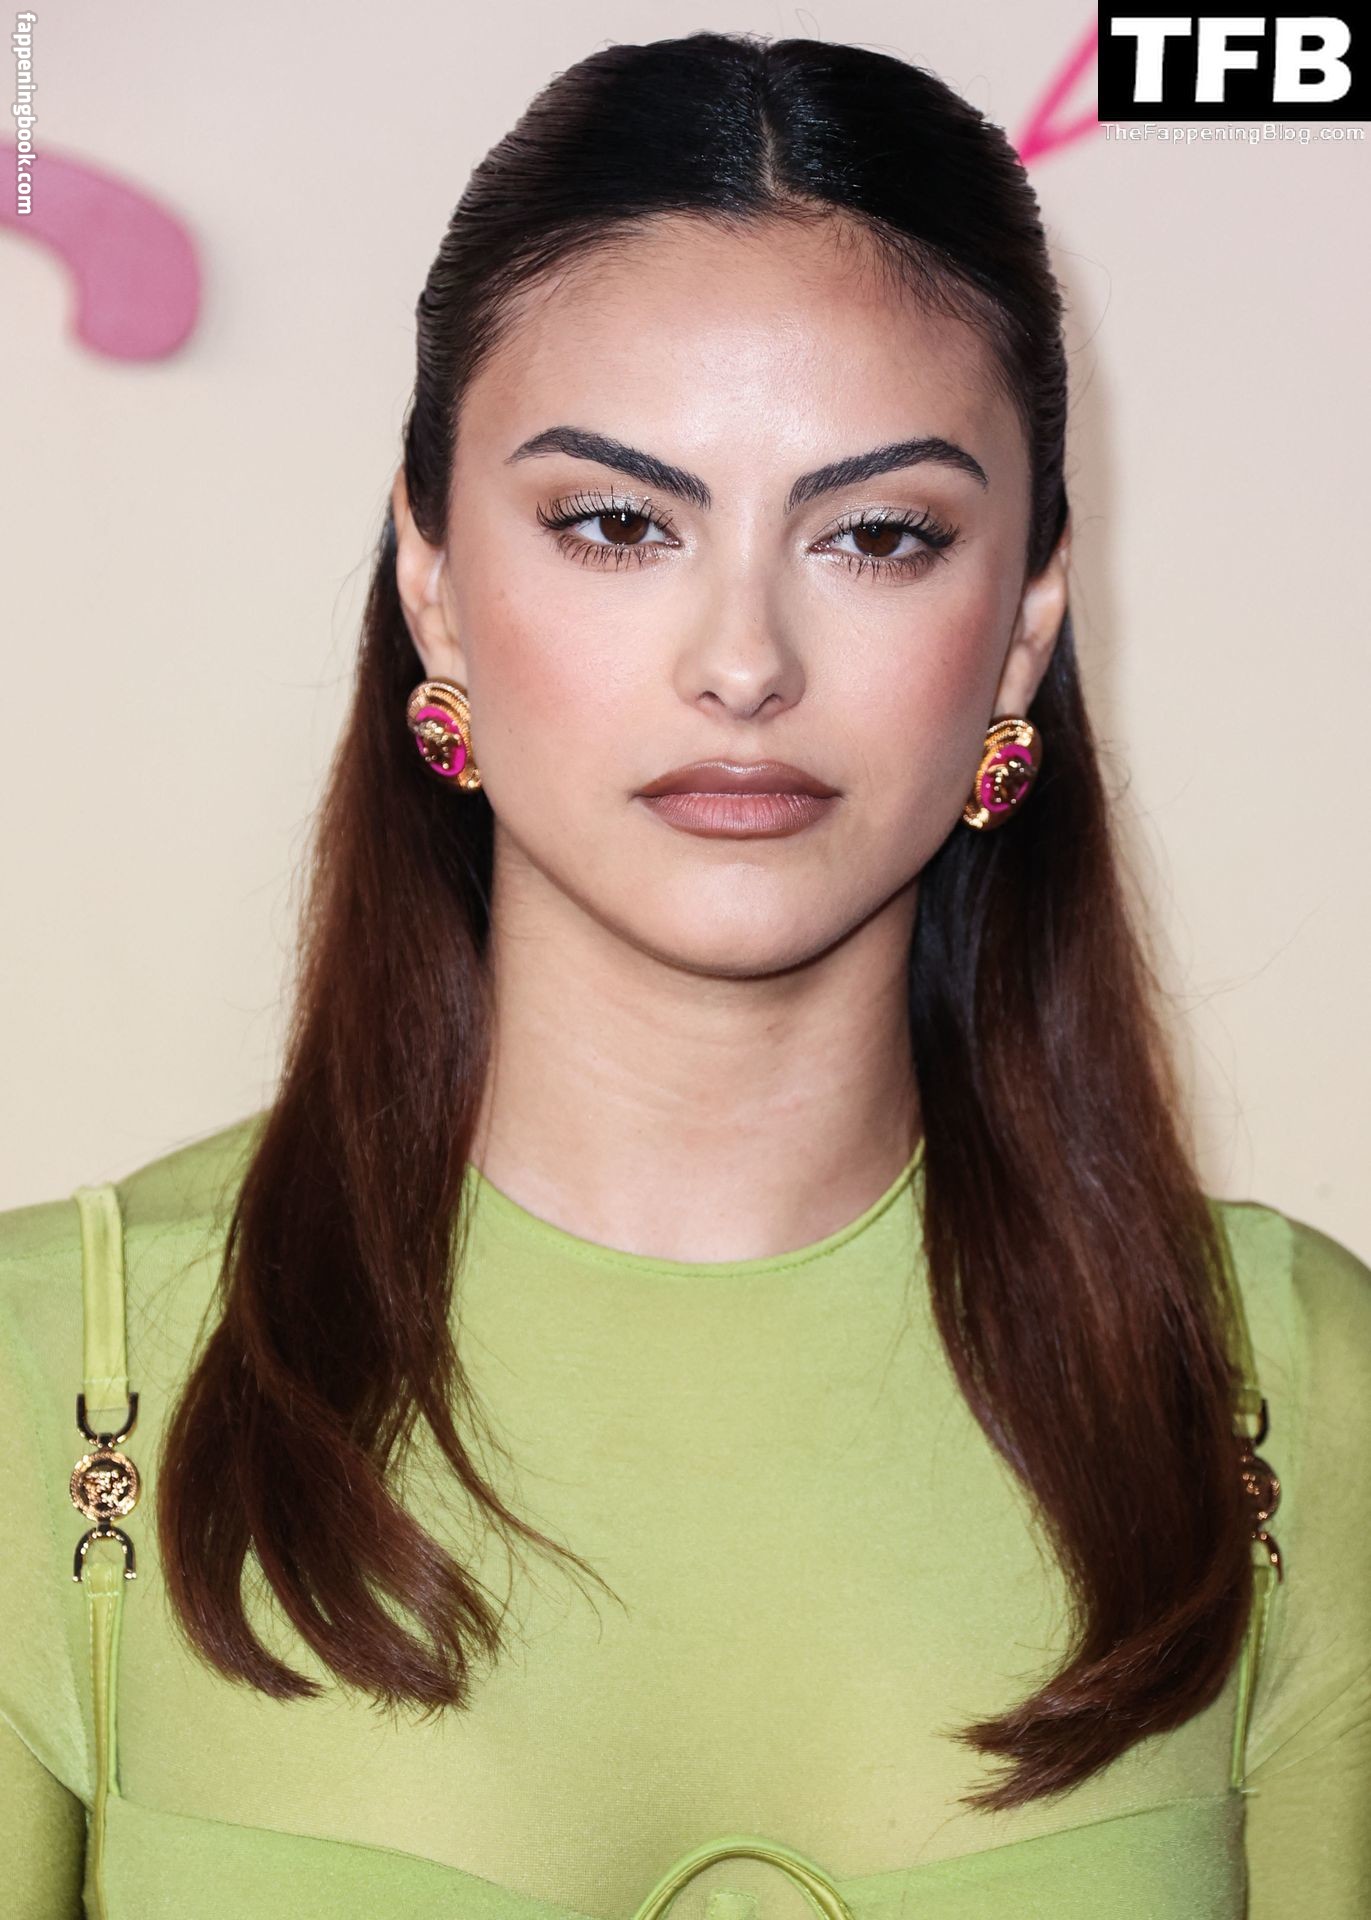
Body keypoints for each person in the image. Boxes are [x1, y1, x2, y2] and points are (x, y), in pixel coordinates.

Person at [2, 29, 1367, 1920]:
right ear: (432, 583)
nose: (744, 661)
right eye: (617, 522)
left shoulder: (1288, 1387)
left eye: (877, 535)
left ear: (1024, 619)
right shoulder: (56, 1386)